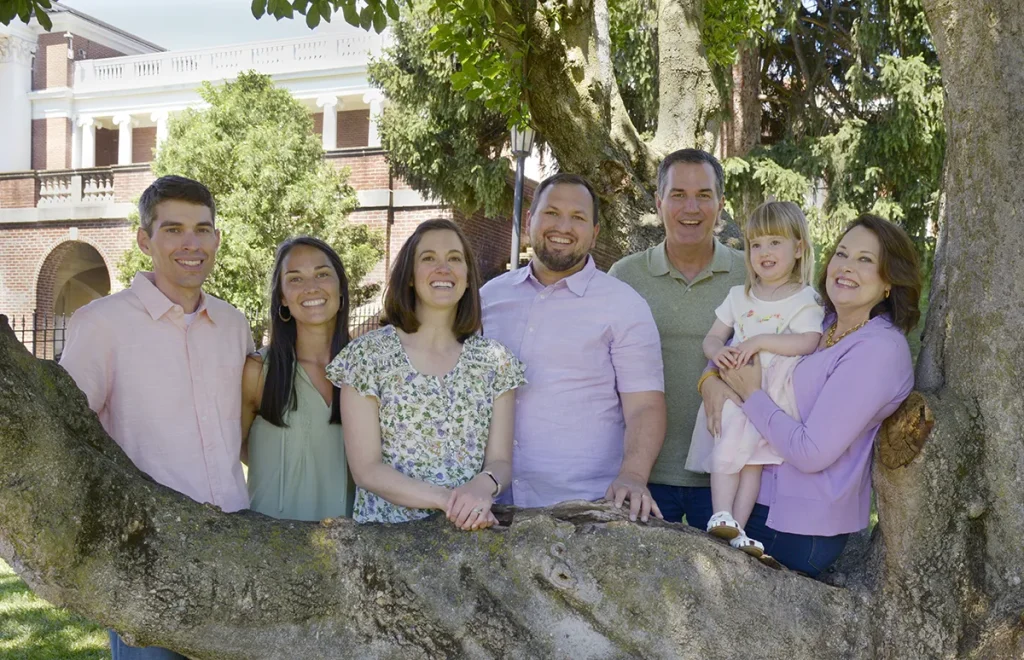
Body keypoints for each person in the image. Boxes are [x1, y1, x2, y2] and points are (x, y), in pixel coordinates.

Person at [60, 175, 252, 659]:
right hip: (143, 553)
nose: (191, 243)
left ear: (216, 239)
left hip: (234, 544)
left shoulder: (234, 325)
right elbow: (68, 436)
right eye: (173, 229)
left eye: (202, 229)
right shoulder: (101, 323)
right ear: (145, 239)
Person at [708, 214, 921, 576]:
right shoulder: (819, 322)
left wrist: (750, 394)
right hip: (746, 494)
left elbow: (812, 452)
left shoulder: (878, 349)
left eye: (865, 260)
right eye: (841, 254)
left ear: (889, 281)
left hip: (797, 526)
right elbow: (736, 346)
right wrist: (711, 382)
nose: (846, 267)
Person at [481, 173, 666, 522]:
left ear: (595, 233)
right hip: (492, 505)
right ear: (529, 221)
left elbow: (645, 406)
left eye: (578, 217)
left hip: (584, 508)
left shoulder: (624, 305)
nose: (562, 226)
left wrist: (634, 476)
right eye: (551, 212)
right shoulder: (488, 298)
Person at [327, 219, 525, 529]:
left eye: (455, 259)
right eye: (428, 258)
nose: (443, 268)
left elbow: (500, 462)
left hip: (468, 541)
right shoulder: (367, 357)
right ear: (409, 277)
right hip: (386, 546)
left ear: (468, 277)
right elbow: (366, 469)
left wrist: (482, 486)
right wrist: (452, 501)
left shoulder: (496, 362)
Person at [608, 149, 746, 529]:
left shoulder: (749, 276)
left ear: (720, 205)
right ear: (658, 203)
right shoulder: (624, 277)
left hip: (724, 473)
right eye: (678, 195)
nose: (691, 207)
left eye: (704, 195)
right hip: (643, 476)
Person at [685, 201, 823, 556]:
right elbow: (712, 337)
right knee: (729, 445)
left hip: (772, 392)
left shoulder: (804, 298)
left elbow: (809, 341)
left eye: (775, 242)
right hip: (736, 384)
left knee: (753, 463)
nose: (764, 252)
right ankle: (720, 513)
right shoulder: (739, 296)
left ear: (798, 248)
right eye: (756, 244)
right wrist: (717, 352)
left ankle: (736, 529)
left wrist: (759, 340)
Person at [242, 236, 354, 521]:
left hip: (351, 549)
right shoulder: (258, 372)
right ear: (282, 297)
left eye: (322, 274)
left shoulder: (366, 372)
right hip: (271, 548)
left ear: (340, 288)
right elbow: (234, 449)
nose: (311, 287)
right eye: (295, 279)